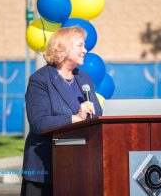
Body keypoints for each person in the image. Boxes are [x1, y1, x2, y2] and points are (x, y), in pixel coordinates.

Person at [21, 26, 103, 196]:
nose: (85, 50)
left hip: (78, 166)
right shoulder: (40, 80)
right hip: (45, 167)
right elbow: (39, 123)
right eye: (80, 45)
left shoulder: (84, 78)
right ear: (63, 48)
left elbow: (97, 116)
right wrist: (76, 117)